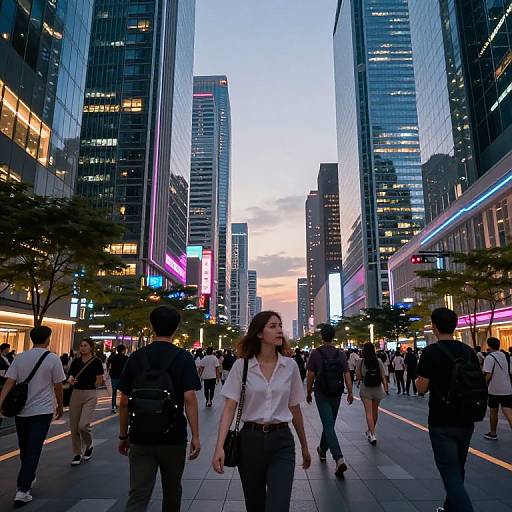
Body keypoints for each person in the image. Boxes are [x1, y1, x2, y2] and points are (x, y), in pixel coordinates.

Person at [212, 311, 311, 512]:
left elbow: (294, 407)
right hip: (250, 441)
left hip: (282, 441)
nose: (279, 330)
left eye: (280, 325)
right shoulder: (242, 366)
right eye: (272, 326)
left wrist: (304, 446)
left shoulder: (289, 366)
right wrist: (219, 447)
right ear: (259, 333)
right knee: (255, 504)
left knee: (279, 505)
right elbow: (229, 407)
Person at [117, 306, 201, 511]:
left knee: (138, 493)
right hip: (173, 437)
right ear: (176, 328)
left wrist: (123, 435)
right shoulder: (183, 357)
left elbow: (124, 401)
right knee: (172, 491)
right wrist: (196, 435)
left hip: (140, 436)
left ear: (151, 326)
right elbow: (189, 398)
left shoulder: (136, 357)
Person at [416, 307, 480, 512]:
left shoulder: (431, 351)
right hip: (467, 418)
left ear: (434, 326)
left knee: (449, 472)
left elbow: (422, 387)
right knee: (458, 467)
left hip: (441, 420)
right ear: (455, 325)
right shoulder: (468, 351)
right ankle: (449, 507)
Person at [0, 326, 64, 505]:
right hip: (42, 411)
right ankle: (23, 489)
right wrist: (60, 405)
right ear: (48, 340)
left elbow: (9, 383)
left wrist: (0, 403)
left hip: (22, 412)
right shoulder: (53, 358)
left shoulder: (20, 357)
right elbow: (58, 385)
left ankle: (27, 478)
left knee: (25, 447)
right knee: (33, 449)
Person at [306, 324, 353, 477]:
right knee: (330, 423)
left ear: (321, 337)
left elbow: (310, 375)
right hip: (337, 393)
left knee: (328, 424)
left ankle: (338, 458)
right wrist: (350, 392)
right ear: (333, 336)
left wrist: (308, 392)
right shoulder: (340, 354)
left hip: (322, 393)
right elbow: (347, 374)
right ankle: (321, 449)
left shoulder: (315, 353)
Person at [67, 338, 104, 465]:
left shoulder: (97, 362)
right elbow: (70, 376)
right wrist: (70, 380)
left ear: (91, 347)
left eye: (86, 345)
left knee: (83, 425)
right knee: (74, 426)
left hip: (90, 394)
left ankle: (89, 444)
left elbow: (100, 379)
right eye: (81, 345)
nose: (83, 348)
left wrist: (95, 384)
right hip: (76, 393)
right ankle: (77, 453)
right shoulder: (76, 361)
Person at [356, 342, 388, 445]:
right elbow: (383, 376)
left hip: (366, 389)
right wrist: (386, 388)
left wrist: (359, 380)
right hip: (378, 388)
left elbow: (358, 376)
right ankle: (371, 430)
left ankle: (372, 434)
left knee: (368, 413)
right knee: (375, 412)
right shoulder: (378, 361)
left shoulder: (361, 361)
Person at [482, 337, 512, 440]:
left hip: (494, 390)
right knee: (508, 412)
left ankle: (493, 433)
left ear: (489, 345)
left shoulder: (490, 357)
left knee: (493, 411)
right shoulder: (505, 355)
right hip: (507, 388)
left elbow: (488, 374)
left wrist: (483, 386)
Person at [107, 344, 129, 413]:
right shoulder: (126, 358)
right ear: (123, 350)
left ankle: (113, 407)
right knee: (124, 392)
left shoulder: (113, 357)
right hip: (122, 377)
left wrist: (108, 370)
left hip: (114, 376)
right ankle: (123, 405)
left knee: (114, 392)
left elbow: (108, 362)